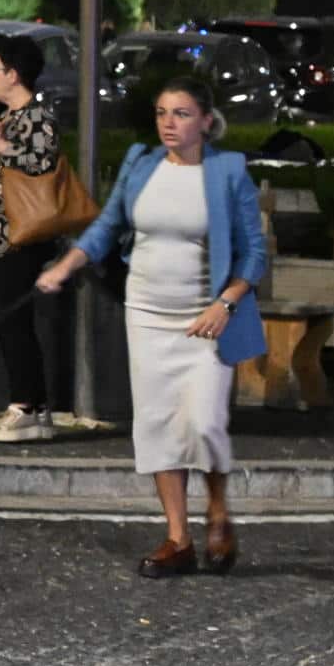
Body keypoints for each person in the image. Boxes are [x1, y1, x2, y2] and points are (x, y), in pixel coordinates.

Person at [38, 76, 268, 575]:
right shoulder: (141, 164)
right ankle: (178, 538)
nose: (169, 122)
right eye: (163, 112)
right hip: (146, 312)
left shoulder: (228, 171)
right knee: (158, 425)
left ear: (207, 121)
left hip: (204, 318)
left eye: (182, 113)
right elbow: (108, 224)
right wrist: (67, 264)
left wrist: (225, 305)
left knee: (204, 423)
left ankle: (219, 510)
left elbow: (254, 254)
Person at [0, 35, 73, 444]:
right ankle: (33, 403)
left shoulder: (37, 118)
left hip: (19, 236)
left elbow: (41, 163)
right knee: (8, 321)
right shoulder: (4, 119)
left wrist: (0, 144)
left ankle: (27, 404)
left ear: (13, 74)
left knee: (13, 322)